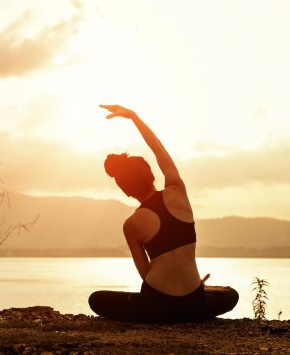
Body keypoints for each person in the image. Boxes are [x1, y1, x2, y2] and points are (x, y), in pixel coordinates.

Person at [89, 104, 239, 323]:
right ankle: (200, 294)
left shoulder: (131, 225)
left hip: (156, 307)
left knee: (97, 299)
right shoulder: (177, 191)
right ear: (150, 174)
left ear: (126, 191)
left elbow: (146, 274)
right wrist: (133, 117)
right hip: (194, 304)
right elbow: (159, 149)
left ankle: (168, 309)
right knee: (230, 293)